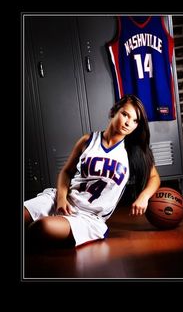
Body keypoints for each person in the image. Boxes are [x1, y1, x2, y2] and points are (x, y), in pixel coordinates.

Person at [24, 95, 161, 249]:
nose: (128, 123)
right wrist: (61, 198)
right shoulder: (88, 140)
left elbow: (154, 177)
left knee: (41, 227)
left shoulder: (133, 152)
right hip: (61, 200)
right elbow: (66, 172)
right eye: (125, 114)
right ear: (114, 112)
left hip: (88, 218)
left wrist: (144, 196)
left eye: (135, 121)